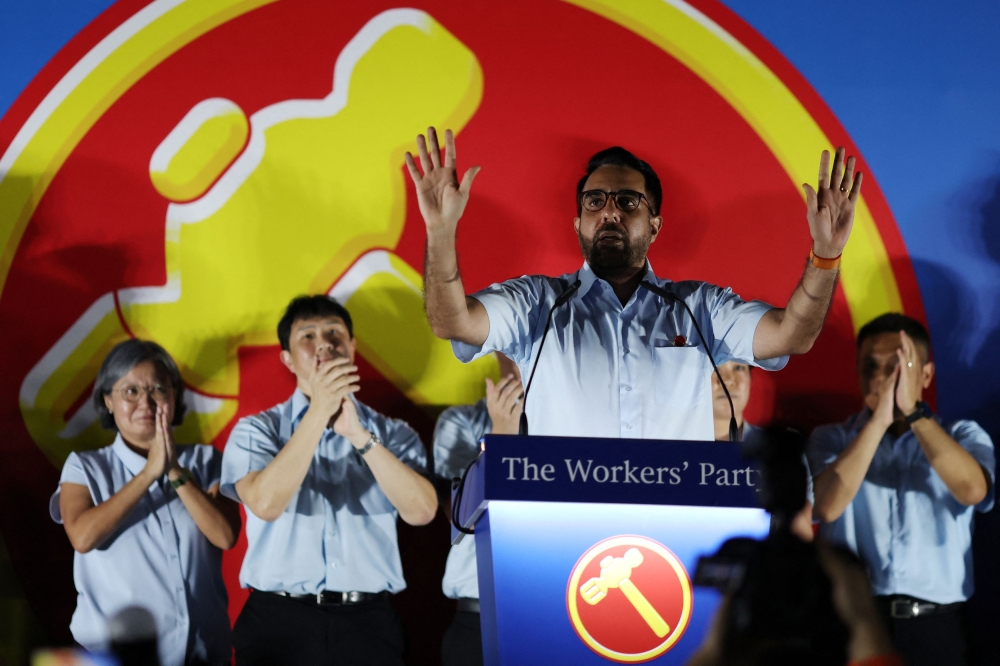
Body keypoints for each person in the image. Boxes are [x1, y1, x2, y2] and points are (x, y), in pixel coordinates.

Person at [407, 127, 863, 440]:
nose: (610, 211)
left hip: (675, 535)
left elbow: (792, 336)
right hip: (561, 530)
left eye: (628, 201)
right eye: (595, 201)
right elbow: (453, 322)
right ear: (578, 222)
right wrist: (440, 233)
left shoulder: (696, 308)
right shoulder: (537, 302)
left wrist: (825, 256)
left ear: (655, 225)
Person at [220, 295, 438, 666]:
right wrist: (319, 410)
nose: (323, 344)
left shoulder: (393, 432)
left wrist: (358, 436)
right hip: (277, 619)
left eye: (334, 332)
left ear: (352, 348)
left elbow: (422, 511)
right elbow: (266, 504)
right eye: (307, 335)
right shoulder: (256, 430)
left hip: (366, 622)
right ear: (287, 359)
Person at [808, 313, 995, 666]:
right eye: (870, 367)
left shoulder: (964, 435)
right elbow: (826, 506)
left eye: (896, 367)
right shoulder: (832, 438)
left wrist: (911, 411)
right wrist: (879, 420)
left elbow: (972, 490)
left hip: (937, 626)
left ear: (924, 375)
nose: (880, 378)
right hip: (856, 622)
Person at [51, 339, 240, 666]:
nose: (146, 402)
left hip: (202, 654)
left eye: (157, 388)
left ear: (175, 395)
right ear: (108, 400)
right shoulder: (85, 467)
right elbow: (82, 538)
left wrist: (173, 470)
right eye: (130, 391)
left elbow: (225, 536)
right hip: (112, 657)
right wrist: (149, 472)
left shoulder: (207, 460)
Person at [435, 353, 523, 666]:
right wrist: (501, 434)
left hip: (559, 610)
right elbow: (457, 516)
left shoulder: (580, 421)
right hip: (478, 615)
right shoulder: (461, 422)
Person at [712, 362, 814, 541]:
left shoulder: (779, 448)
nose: (728, 380)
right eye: (716, 370)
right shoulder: (674, 447)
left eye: (738, 368)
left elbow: (800, 528)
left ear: (751, 378)